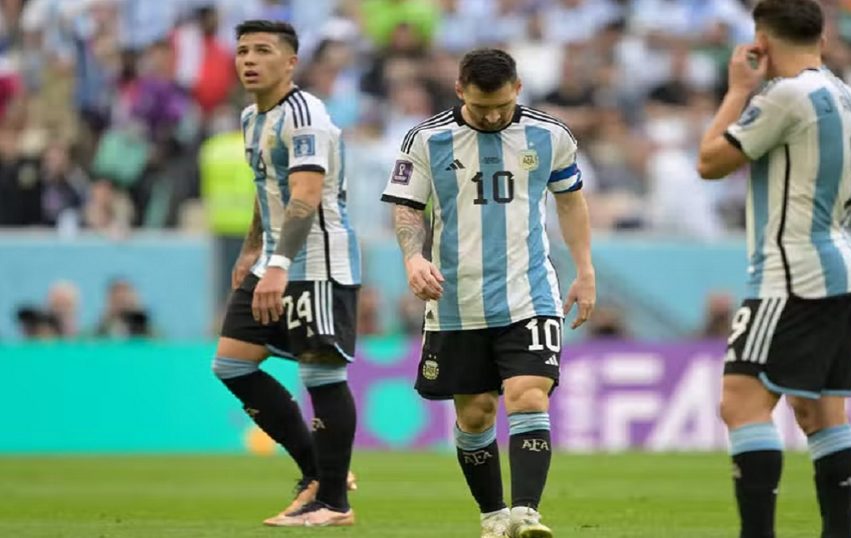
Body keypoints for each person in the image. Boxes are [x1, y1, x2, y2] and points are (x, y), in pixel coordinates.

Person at [381, 48, 596, 538]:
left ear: (518, 88)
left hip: (529, 292)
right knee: (476, 413)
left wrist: (585, 270)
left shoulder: (550, 136)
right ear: (460, 90)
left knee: (528, 394)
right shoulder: (426, 138)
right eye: (482, 107)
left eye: (502, 105)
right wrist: (413, 258)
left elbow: (570, 202)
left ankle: (526, 514)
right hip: (456, 299)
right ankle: (493, 516)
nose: (494, 116)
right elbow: (408, 207)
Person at [697, 1, 851, 537]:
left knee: (740, 404)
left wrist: (737, 90)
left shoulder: (786, 95)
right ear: (823, 38)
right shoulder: (849, 97)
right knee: (820, 413)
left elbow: (710, 161)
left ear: (762, 42)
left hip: (791, 273)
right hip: (846, 265)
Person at [213, 20, 359, 528]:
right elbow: (267, 187)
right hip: (273, 260)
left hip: (316, 261)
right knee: (232, 363)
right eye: (243, 51)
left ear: (291, 62)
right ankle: (319, 473)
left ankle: (333, 503)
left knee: (321, 374)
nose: (249, 60)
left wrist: (277, 265)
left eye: (263, 50)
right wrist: (253, 248)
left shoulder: (305, 114)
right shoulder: (251, 116)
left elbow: (305, 195)